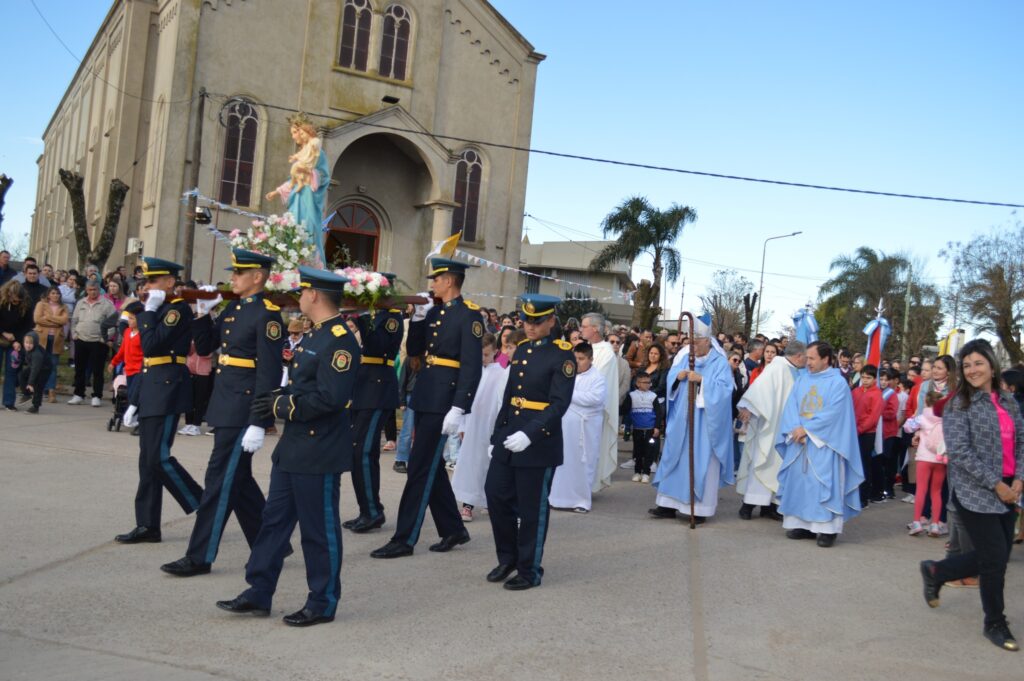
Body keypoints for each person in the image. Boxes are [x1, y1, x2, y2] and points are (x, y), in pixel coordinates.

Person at [217, 266, 360, 627]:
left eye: (302, 292)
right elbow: (301, 385)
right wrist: (281, 396)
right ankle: (259, 590)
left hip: (319, 449)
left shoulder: (339, 339)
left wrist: (280, 406)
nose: (298, 298)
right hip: (294, 447)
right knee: (273, 522)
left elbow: (332, 397)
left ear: (314, 295)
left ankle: (322, 600)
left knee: (318, 529)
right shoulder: (315, 336)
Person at [158, 250, 285, 575]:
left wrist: (260, 420)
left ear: (258, 276)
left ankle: (199, 556)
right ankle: (273, 542)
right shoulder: (234, 308)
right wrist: (202, 316)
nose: (233, 278)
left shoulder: (267, 314)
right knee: (237, 479)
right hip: (225, 401)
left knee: (219, 480)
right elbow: (205, 348)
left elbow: (269, 373)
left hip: (242, 409)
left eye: (240, 273)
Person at [371, 258, 481, 559]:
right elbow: (417, 351)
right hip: (427, 393)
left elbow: (471, 367)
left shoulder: (469, 315)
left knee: (420, 468)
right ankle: (453, 529)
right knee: (429, 466)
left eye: (436, 278)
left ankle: (404, 539)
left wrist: (459, 407)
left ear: (449, 280)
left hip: (445, 399)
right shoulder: (434, 312)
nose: (431, 283)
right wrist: (418, 319)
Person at [920, 340, 1024, 652]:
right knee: (994, 561)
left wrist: (1019, 477)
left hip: (1010, 488)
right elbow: (961, 453)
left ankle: (937, 571)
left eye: (978, 363)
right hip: (975, 491)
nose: (972, 370)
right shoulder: (957, 404)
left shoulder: (1009, 402)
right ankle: (995, 622)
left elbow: (1021, 441)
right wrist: (997, 484)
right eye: (966, 365)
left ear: (992, 366)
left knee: (998, 556)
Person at [485, 294, 575, 590]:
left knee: (531, 507)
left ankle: (529, 569)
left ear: (551, 321)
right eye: (526, 320)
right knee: (496, 495)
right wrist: (496, 436)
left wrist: (530, 433)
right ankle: (508, 557)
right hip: (510, 435)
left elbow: (559, 404)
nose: (530, 326)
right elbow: (510, 398)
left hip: (538, 440)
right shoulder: (521, 349)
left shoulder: (563, 354)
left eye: (537, 321)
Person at [114, 258, 203, 545]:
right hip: (152, 386)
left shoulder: (176, 310)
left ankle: (202, 501)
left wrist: (149, 311)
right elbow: (146, 361)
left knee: (158, 458)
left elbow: (152, 345)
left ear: (168, 282)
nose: (147, 286)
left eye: (153, 281)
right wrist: (135, 400)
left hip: (168, 388)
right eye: (146, 281)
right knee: (147, 461)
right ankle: (147, 525)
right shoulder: (155, 309)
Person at [775, 341, 863, 547]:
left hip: (825, 444)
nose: (808, 362)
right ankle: (801, 524)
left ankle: (826, 530)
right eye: (807, 358)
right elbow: (791, 407)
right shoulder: (801, 380)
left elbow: (834, 413)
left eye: (812, 358)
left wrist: (807, 429)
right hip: (799, 441)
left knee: (822, 483)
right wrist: (795, 429)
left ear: (826, 359)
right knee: (800, 483)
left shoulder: (838, 383)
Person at [649, 314, 734, 524]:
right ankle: (668, 505)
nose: (693, 346)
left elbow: (725, 391)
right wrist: (676, 378)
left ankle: (699, 509)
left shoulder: (720, 363)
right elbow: (671, 378)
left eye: (697, 342)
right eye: (691, 342)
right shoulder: (686, 357)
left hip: (706, 424)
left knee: (701, 461)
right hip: (682, 420)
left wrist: (703, 381)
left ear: (707, 341)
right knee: (674, 457)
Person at [344, 283, 404, 534]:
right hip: (363, 388)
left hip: (378, 390)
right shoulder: (375, 317)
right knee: (357, 452)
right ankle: (367, 509)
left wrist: (364, 316)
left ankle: (372, 511)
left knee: (364, 453)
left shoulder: (392, 319)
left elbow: (378, 345)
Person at [736, 341, 807, 520]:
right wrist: (748, 408)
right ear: (799, 356)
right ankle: (748, 505)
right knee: (764, 462)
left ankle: (771, 507)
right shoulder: (777, 368)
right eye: (805, 357)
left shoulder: (795, 370)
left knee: (778, 467)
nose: (807, 361)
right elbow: (759, 390)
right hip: (771, 426)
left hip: (785, 427)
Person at [452, 333, 509, 521]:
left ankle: (488, 500)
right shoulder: (471, 373)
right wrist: (461, 424)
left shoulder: (501, 373)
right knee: (471, 463)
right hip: (472, 425)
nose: (482, 359)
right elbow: (462, 399)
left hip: (492, 425)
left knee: (490, 465)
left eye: (486, 355)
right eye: (480, 354)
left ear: (495, 352)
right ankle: (467, 505)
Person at [549, 341, 607, 512]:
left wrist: (568, 395)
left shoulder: (598, 378)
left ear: (591, 359)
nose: (577, 362)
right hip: (565, 428)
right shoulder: (566, 375)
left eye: (581, 359)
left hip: (585, 430)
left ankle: (581, 500)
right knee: (562, 462)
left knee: (584, 463)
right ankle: (557, 498)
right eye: (575, 358)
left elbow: (595, 399)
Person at [265, 113, 330, 265]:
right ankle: (292, 262)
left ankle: (310, 264)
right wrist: (277, 191)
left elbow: (324, 177)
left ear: (304, 132)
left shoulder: (317, 153)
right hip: (297, 198)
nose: (294, 137)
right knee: (293, 229)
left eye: (295, 132)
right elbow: (293, 180)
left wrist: (310, 173)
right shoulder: (301, 154)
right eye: (293, 133)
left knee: (307, 229)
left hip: (309, 198)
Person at [579, 312, 620, 492]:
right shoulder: (585, 347)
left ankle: (588, 486)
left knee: (591, 450)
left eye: (584, 326)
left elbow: (595, 380)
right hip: (577, 408)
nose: (581, 329)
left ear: (595, 329)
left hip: (594, 410)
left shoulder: (606, 353)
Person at [68, 281, 115, 407]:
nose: (92, 292)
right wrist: (74, 334)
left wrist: (104, 338)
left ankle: (97, 395)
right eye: (89, 289)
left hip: (98, 341)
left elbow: (113, 323)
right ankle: (78, 394)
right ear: (86, 290)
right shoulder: (81, 302)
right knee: (79, 369)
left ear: (99, 290)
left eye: (94, 289)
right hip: (81, 339)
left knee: (97, 370)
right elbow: (74, 320)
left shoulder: (107, 304)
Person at [907, 391, 947, 536]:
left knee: (921, 490)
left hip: (924, 457)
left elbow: (908, 427)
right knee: (936, 492)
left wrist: (917, 433)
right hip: (940, 458)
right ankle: (935, 524)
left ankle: (917, 522)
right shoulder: (945, 418)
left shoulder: (922, 417)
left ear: (926, 402)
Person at [851, 364, 883, 505]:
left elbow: (873, 418)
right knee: (853, 464)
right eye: (863, 377)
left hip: (866, 434)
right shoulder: (856, 391)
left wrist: (859, 429)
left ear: (874, 379)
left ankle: (863, 497)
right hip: (853, 431)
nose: (865, 380)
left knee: (864, 465)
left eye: (868, 378)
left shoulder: (877, 394)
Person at [33, 286, 68, 404]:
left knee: (53, 365)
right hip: (42, 337)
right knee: (40, 363)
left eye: (57, 293)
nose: (55, 295)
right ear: (48, 295)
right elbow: (37, 319)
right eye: (53, 293)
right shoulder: (41, 304)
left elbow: (64, 321)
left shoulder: (63, 307)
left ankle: (51, 391)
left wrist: (48, 318)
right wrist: (55, 322)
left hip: (56, 339)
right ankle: (38, 388)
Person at [628, 371, 663, 484]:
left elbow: (658, 413)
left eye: (649, 382)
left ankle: (646, 473)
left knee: (649, 451)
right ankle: (637, 472)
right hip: (637, 429)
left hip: (650, 430)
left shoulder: (653, 396)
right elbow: (626, 410)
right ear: (638, 383)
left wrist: (657, 427)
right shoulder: (631, 396)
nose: (648, 384)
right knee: (638, 452)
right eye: (645, 382)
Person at [16, 331, 51, 413]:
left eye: (30, 343)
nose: (28, 345)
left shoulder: (37, 354)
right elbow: (27, 359)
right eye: (26, 342)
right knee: (22, 375)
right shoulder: (28, 349)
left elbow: (35, 370)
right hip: (35, 366)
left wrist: (30, 383)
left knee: (38, 385)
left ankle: (35, 407)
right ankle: (27, 394)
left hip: (44, 369)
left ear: (35, 343)